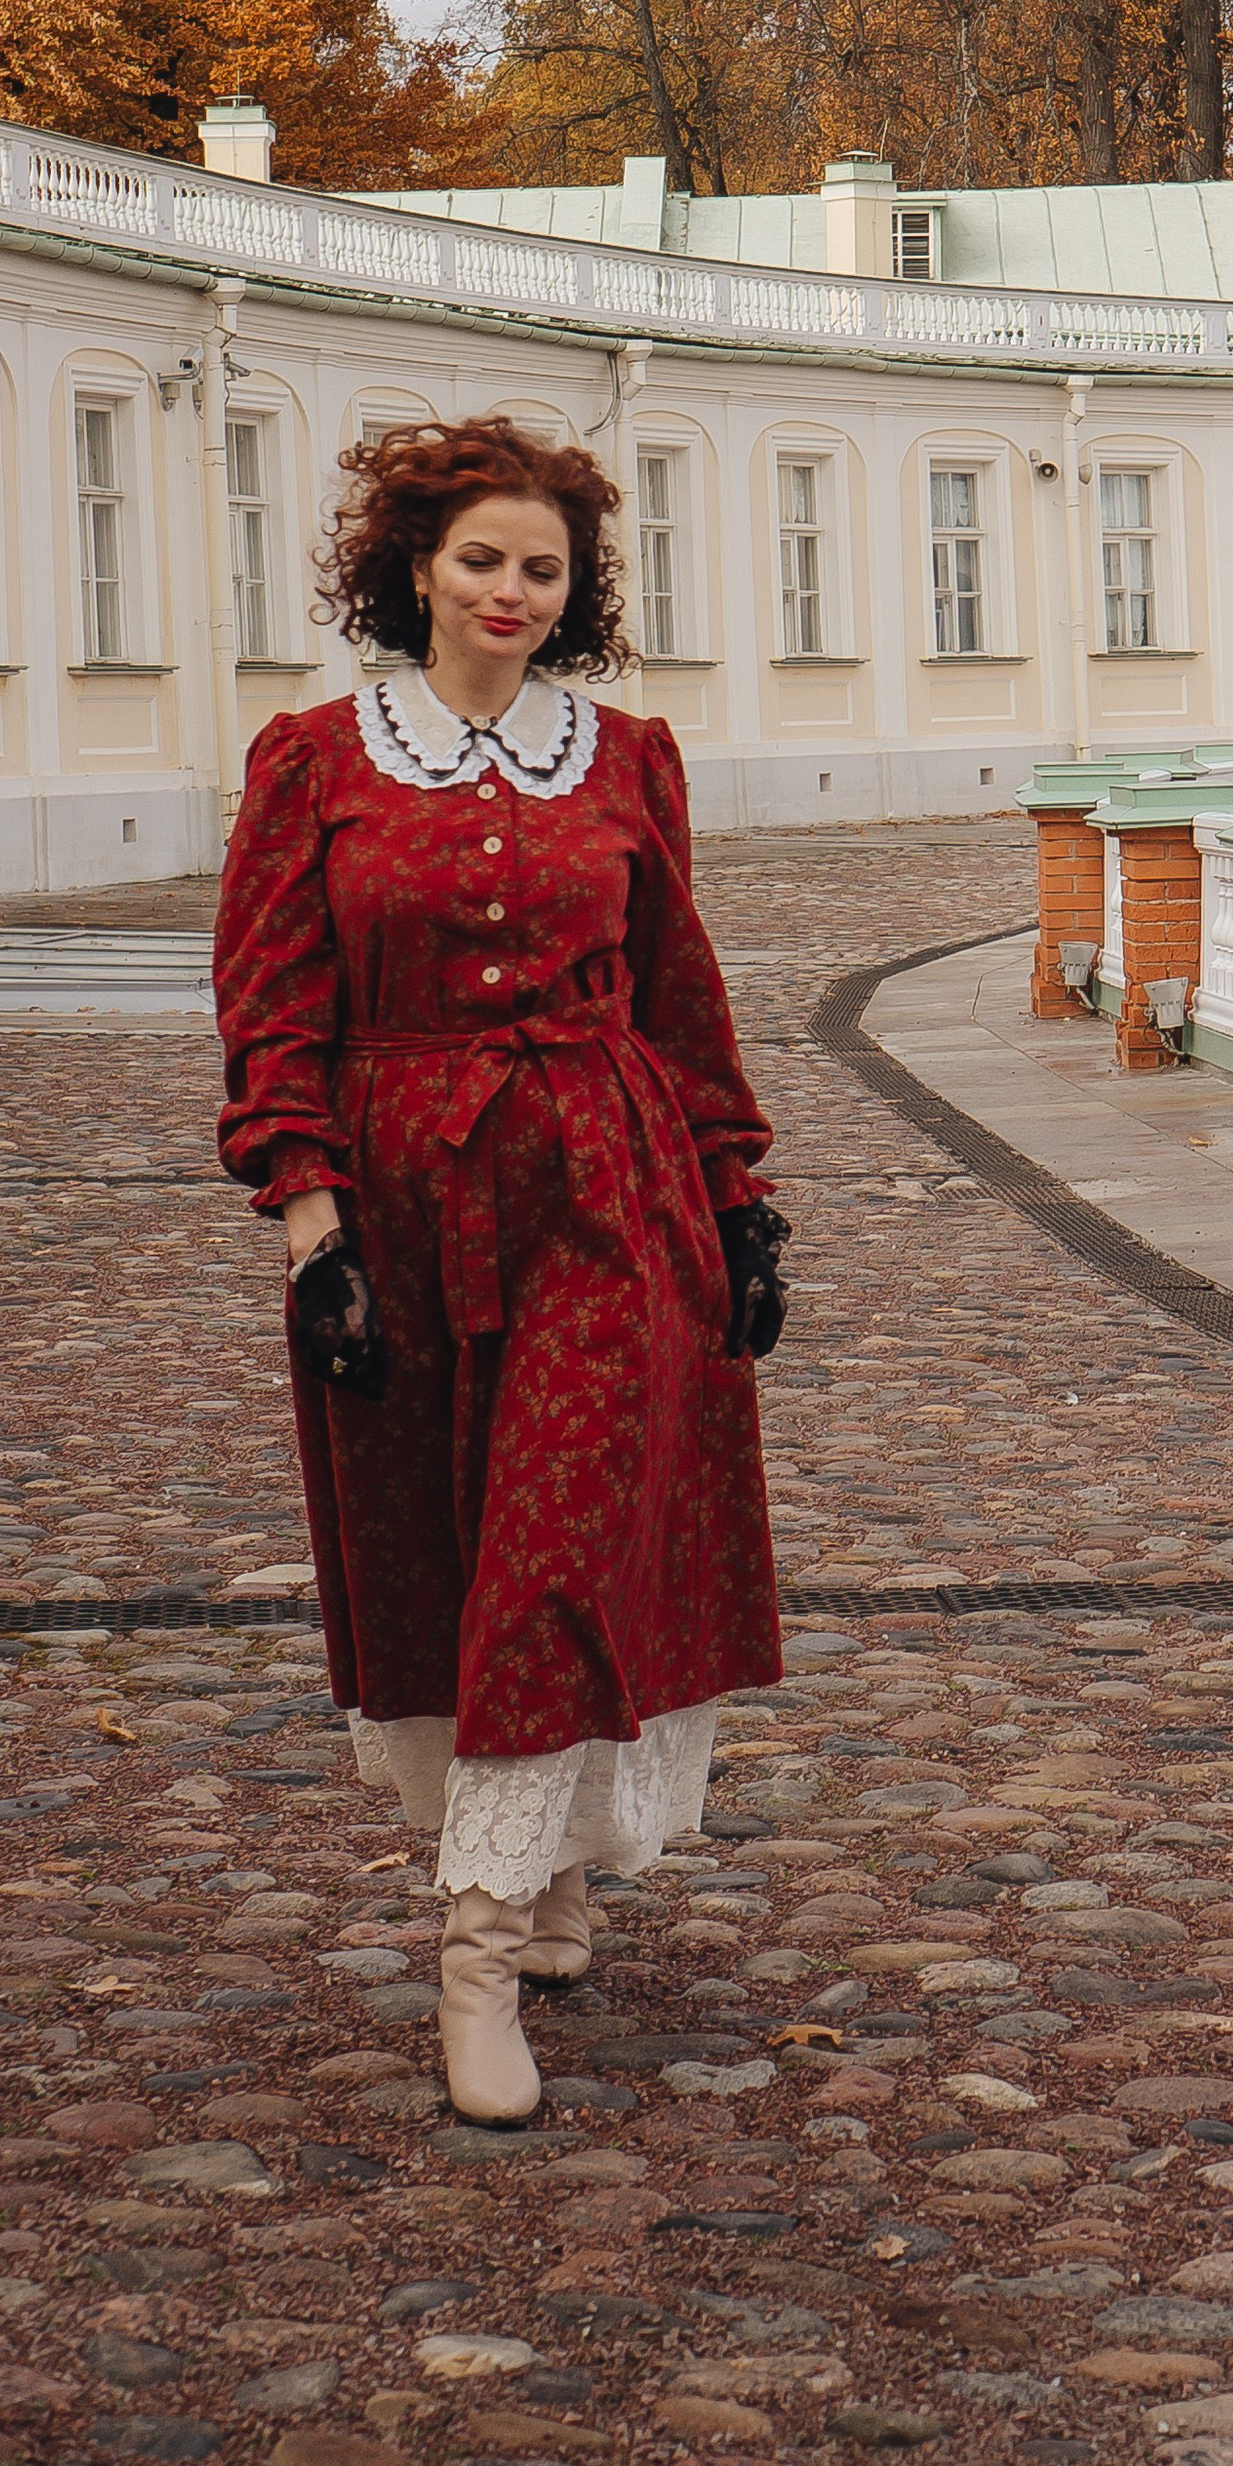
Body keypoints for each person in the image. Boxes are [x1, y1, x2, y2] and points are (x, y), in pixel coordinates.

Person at [213, 414, 785, 2124]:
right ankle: (537, 1880)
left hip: (609, 1196)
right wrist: (310, 1226)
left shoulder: (625, 759)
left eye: (546, 566)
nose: (514, 591)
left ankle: (472, 1958)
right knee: (443, 1561)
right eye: (484, 559)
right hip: (396, 1192)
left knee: (552, 1544)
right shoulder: (313, 758)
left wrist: (738, 1193)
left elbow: (679, 987)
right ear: (413, 569)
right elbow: (271, 1005)